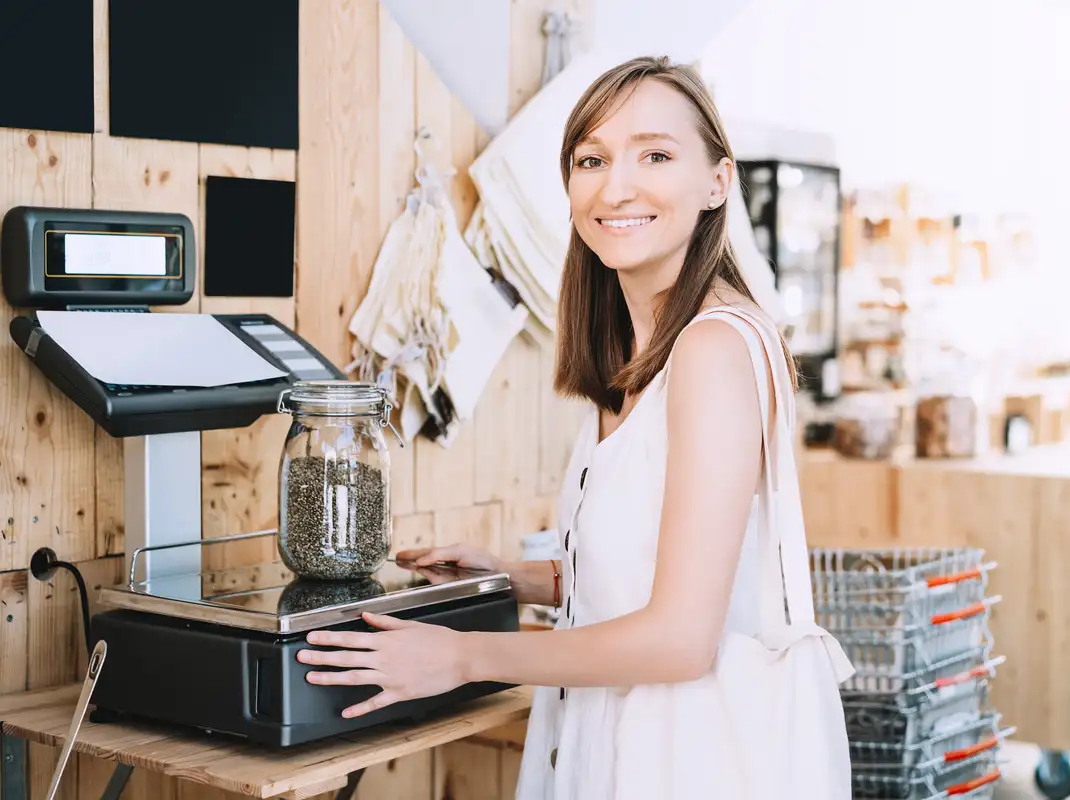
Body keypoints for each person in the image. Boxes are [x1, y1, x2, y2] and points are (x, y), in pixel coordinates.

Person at [297, 55, 855, 798]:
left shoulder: (714, 349)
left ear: (718, 182)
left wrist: (465, 655)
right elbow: (661, 566)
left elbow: (680, 639)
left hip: (686, 767)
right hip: (613, 750)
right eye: (591, 159)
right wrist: (516, 577)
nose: (615, 186)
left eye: (655, 154)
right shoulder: (640, 354)